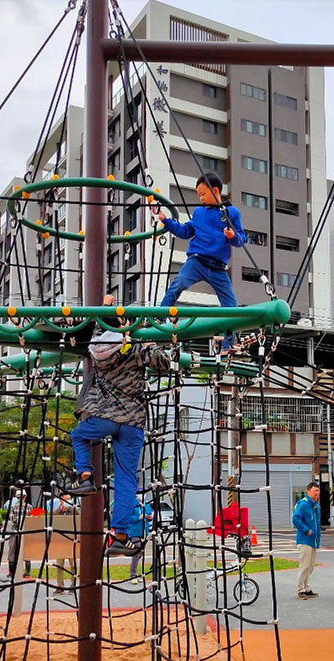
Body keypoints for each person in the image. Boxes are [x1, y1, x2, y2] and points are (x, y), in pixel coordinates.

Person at [69, 300, 172, 556]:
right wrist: (147, 339)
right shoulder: (136, 347)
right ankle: (121, 535)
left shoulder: (96, 348)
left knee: (78, 435)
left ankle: (84, 476)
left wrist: (104, 305)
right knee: (126, 479)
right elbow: (164, 363)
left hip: (104, 416)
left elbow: (96, 326)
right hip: (133, 421)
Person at [156, 173, 246, 350]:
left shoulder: (231, 212)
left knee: (230, 304)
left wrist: (232, 236)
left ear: (215, 190)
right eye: (199, 195)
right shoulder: (198, 213)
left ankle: (228, 345)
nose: (201, 198)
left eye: (203, 194)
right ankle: (158, 319)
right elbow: (184, 231)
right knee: (177, 284)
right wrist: (166, 221)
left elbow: (241, 239)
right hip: (196, 261)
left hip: (218, 267)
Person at [292, 481, 321, 599]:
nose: (317, 493)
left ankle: (307, 587)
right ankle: (300, 590)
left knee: (311, 565)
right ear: (308, 491)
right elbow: (296, 519)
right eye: (315, 490)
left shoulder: (315, 505)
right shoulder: (303, 504)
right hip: (305, 539)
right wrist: (306, 530)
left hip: (313, 540)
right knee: (304, 565)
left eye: (318, 491)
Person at [128, 498, 155, 580]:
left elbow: (149, 514)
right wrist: (138, 517)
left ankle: (134, 571)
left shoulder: (146, 504)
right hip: (134, 532)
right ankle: (133, 575)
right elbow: (128, 518)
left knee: (140, 553)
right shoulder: (132, 504)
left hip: (144, 533)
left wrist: (150, 517)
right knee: (137, 552)